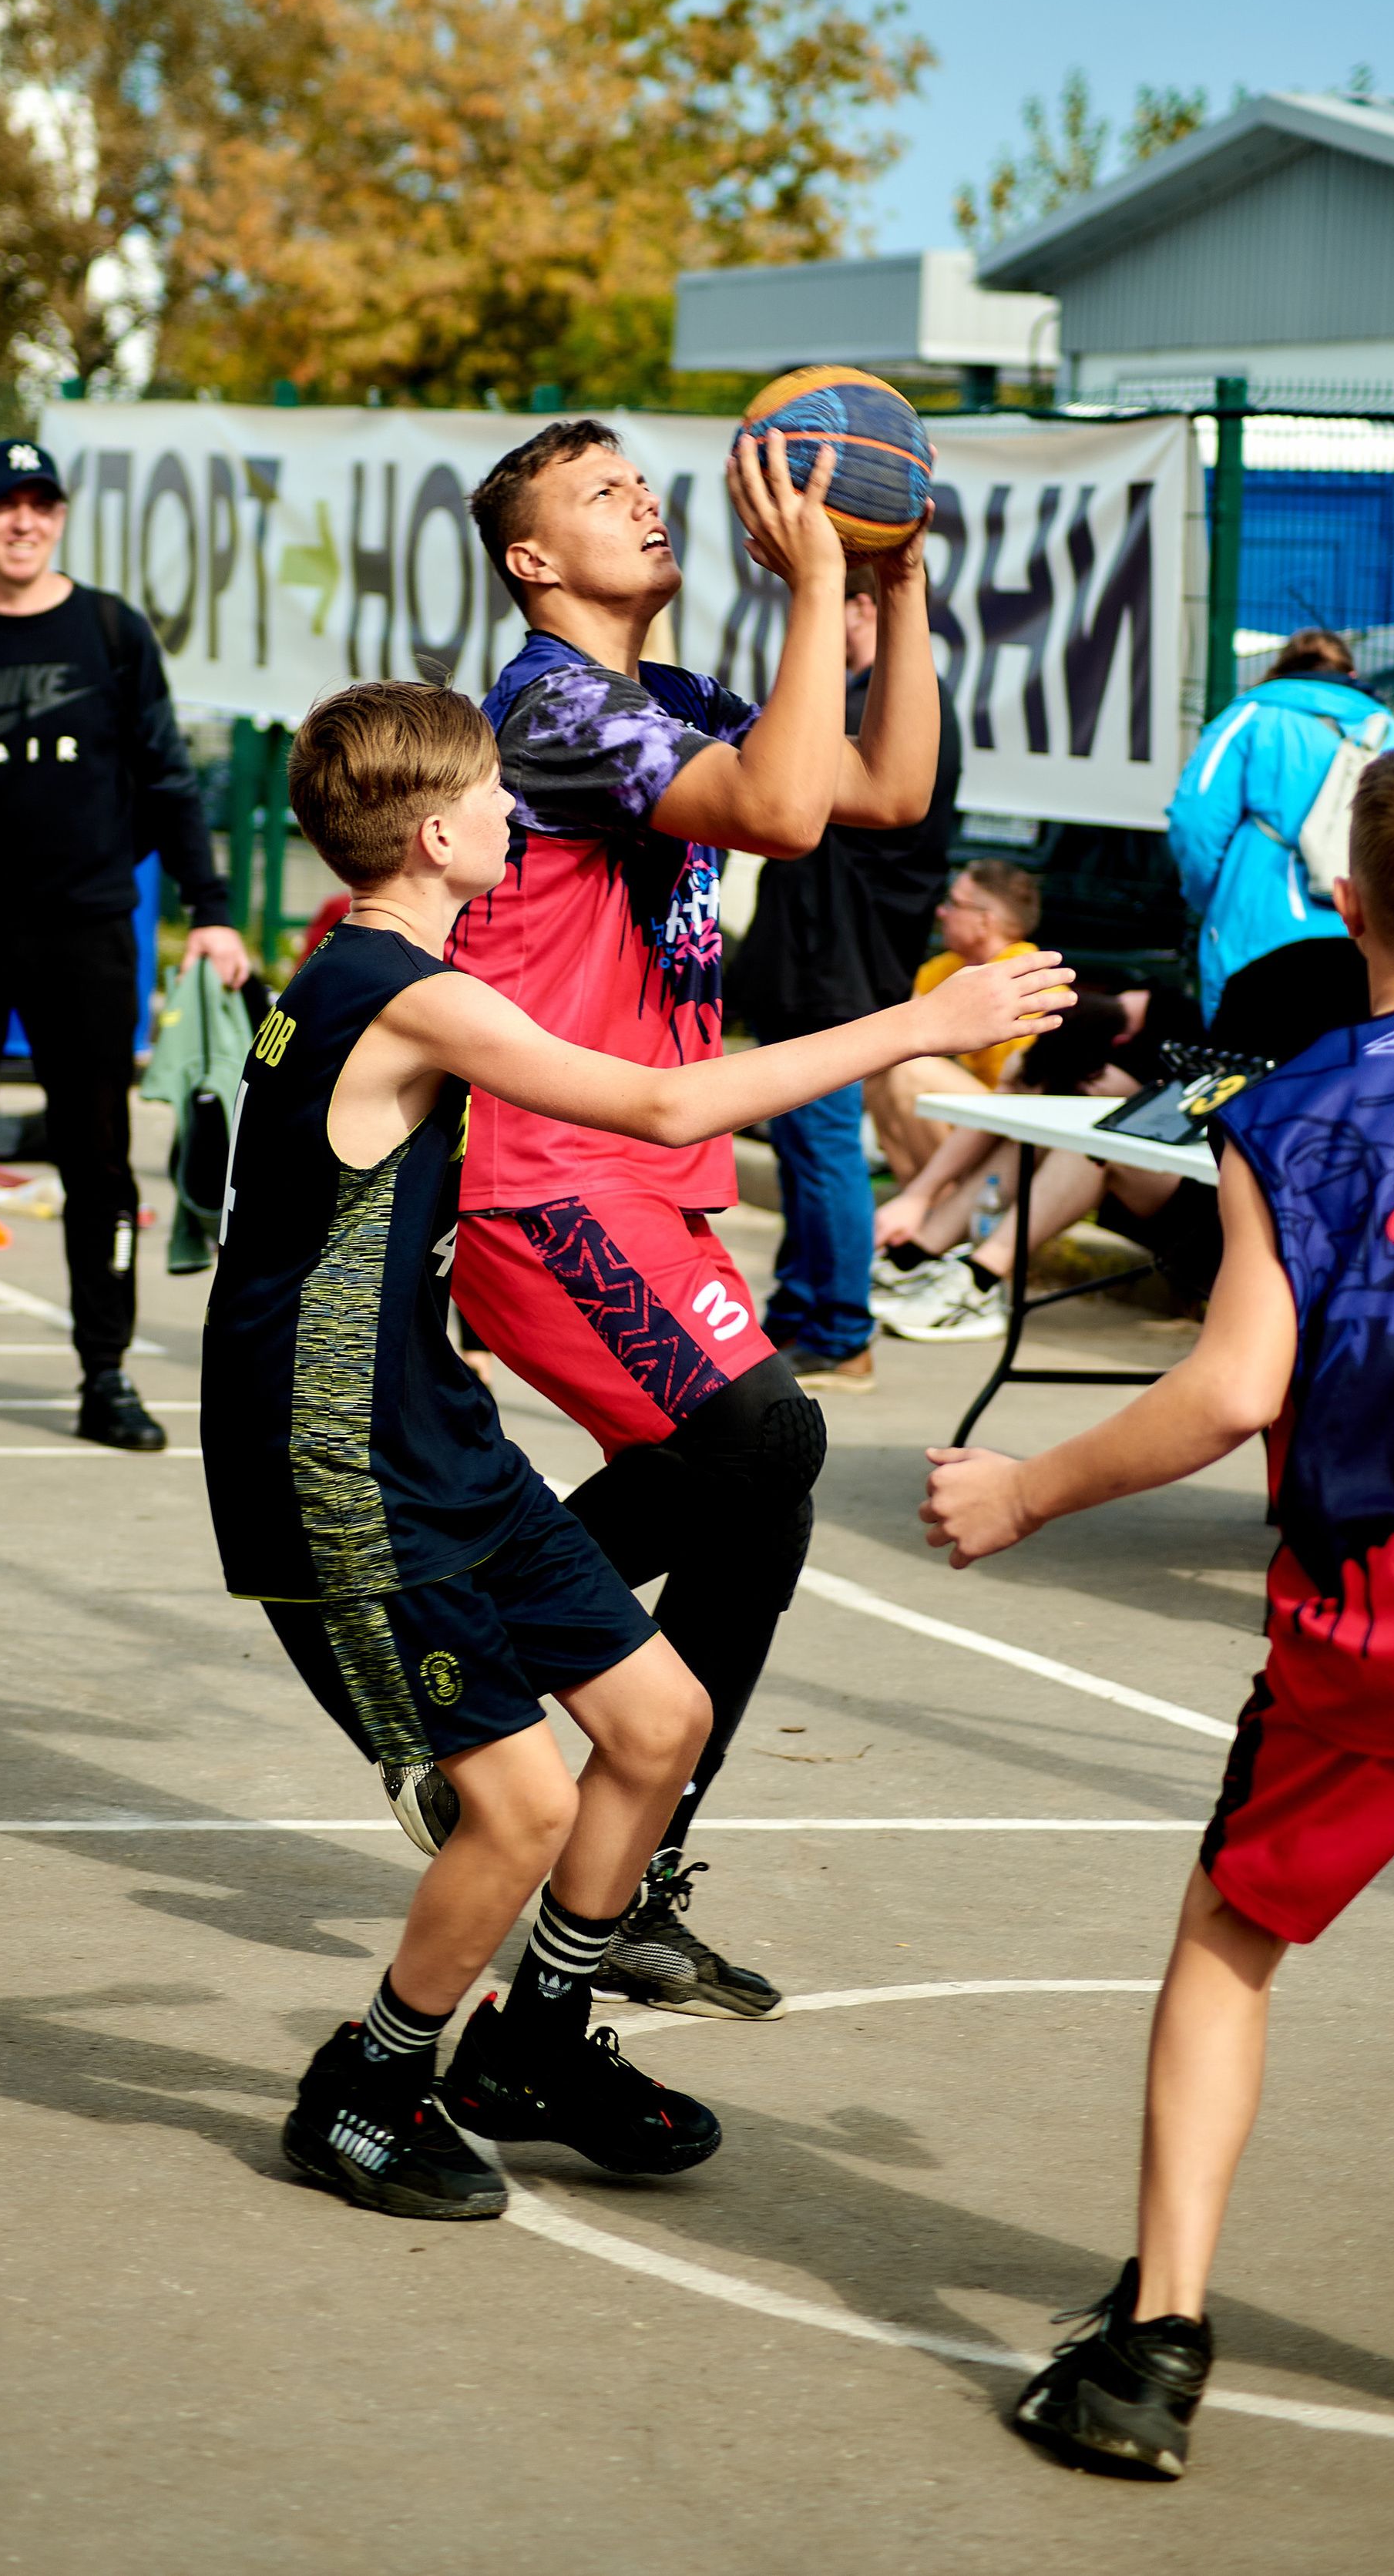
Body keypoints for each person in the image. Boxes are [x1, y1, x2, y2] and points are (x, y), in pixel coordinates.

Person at [211, 680, 1071, 2216]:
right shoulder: (406, 991)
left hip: (426, 1429)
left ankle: (532, 2043)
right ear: (433, 833)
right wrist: (922, 1024)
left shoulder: (386, 959)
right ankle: (369, 2079)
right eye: (493, 800)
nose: (511, 816)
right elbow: (664, 1099)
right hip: (331, 1458)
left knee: (659, 1723)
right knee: (522, 1804)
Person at [921, 734, 1394, 2482]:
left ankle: (1152, 2344)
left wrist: (1025, 1482)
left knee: (1226, 1940)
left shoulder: (1288, 1110)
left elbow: (1227, 1387)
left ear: (1341, 902)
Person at [448, 417, 946, 2017]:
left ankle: (631, 1871)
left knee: (764, 1493)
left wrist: (899, 580)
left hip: (644, 1179)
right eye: (601, 496)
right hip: (541, 1175)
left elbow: (879, 784)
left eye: (639, 483)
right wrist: (811, 587)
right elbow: (789, 819)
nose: (643, 506)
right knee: (749, 1449)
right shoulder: (550, 703)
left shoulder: (660, 700)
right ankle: (461, 1700)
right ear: (530, 561)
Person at [0, 438, 249, 1451]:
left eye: (41, 503)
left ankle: (105, 1376)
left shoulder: (110, 630)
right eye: (3, 503)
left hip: (87, 932)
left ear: (59, 516)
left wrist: (214, 908)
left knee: (99, 1161)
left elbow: (168, 778)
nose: (24, 519)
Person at [731, 552, 964, 1392]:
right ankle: (800, 1314)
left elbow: (780, 777)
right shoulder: (874, 708)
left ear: (860, 611)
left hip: (836, 967)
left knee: (823, 1147)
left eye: (830, 609)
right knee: (802, 1146)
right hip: (820, 964)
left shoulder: (880, 714)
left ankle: (840, 1329)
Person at [874, 977, 1209, 1344]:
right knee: (1025, 1139)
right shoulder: (1132, 1011)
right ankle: (915, 1257)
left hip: (1200, 1204)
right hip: (1159, 1166)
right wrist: (918, 1195)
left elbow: (1138, 1098)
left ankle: (981, 1280)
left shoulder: (1170, 1035)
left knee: (1089, 1144)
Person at [1167, 626, 1394, 1024]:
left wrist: (1207, 895)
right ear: (1351, 675)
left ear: (1278, 671)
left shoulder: (1250, 716)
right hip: (1365, 938)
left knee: (1251, 1066)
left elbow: (1195, 819)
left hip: (1259, 931)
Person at [868, 859, 1044, 1182]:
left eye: (954, 903)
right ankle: (914, 1197)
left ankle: (940, 1203)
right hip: (979, 1109)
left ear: (984, 922)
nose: (942, 912)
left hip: (1023, 1122)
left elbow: (1030, 1091)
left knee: (912, 1073)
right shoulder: (947, 968)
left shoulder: (1023, 974)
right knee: (878, 1071)